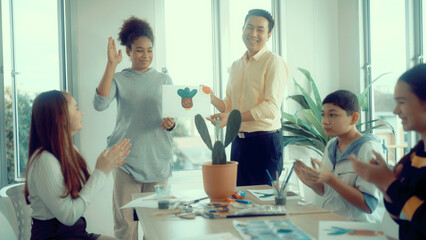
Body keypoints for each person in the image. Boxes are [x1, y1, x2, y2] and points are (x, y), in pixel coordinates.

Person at [93, 16, 175, 240]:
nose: (146, 55)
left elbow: (172, 118)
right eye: (139, 50)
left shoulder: (164, 80)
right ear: (128, 51)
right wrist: (111, 65)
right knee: (126, 227)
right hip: (127, 162)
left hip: (158, 161)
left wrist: (171, 124)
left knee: (157, 228)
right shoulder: (119, 78)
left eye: (149, 50)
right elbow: (99, 104)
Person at [25, 90, 131, 240]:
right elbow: (69, 215)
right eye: (76, 108)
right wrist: (100, 172)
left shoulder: (69, 150)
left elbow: (81, 196)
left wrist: (104, 168)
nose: (81, 113)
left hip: (75, 234)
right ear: (61, 117)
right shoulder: (44, 161)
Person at [208, 9, 288, 186]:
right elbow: (230, 105)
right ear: (242, 29)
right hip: (238, 143)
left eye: (260, 29)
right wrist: (212, 98)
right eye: (249, 27)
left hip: (265, 143)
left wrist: (233, 118)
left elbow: (271, 107)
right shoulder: (236, 65)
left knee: (262, 204)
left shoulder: (274, 62)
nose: (253, 33)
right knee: (238, 199)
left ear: (269, 35)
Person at [349, 64, 426, 239]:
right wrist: (385, 187)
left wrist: (389, 183)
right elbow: (403, 217)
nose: (395, 110)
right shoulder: (414, 157)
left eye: (402, 102)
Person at [294, 90, 385, 223]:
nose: (325, 121)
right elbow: (327, 192)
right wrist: (312, 183)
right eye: (323, 115)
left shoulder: (368, 148)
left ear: (354, 118)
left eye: (332, 115)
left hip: (358, 230)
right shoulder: (332, 145)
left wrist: (330, 179)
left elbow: (368, 205)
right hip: (332, 223)